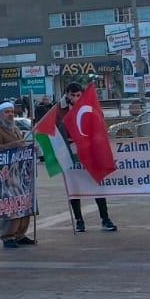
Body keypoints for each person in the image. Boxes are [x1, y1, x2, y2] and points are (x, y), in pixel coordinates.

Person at [56, 83, 116, 232]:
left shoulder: (88, 105)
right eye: (72, 95)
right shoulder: (58, 109)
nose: (75, 98)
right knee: (73, 186)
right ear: (66, 94)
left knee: (96, 182)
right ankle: (79, 220)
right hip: (69, 149)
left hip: (88, 149)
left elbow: (98, 122)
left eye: (78, 95)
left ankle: (105, 218)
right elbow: (55, 128)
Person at [0, 102, 35, 247]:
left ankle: (20, 234)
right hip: (6, 174)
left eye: (12, 111)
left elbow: (21, 145)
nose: (10, 114)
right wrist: (14, 145)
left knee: (24, 203)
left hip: (20, 173)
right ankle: (8, 236)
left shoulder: (14, 127)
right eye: (7, 112)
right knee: (10, 206)